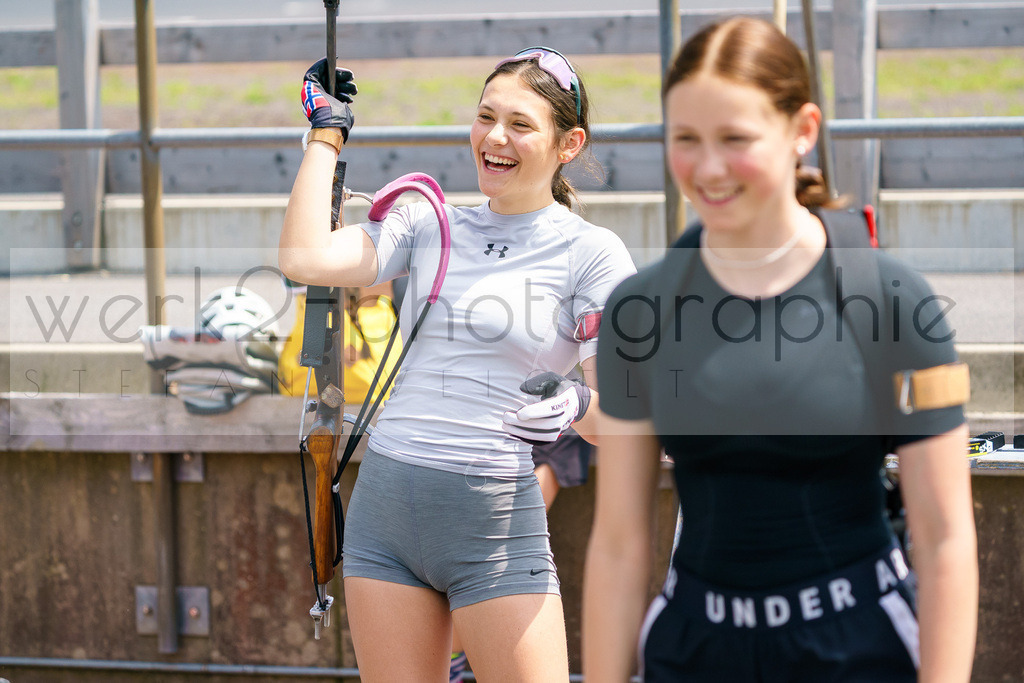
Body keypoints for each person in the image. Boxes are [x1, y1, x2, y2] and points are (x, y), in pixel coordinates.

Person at [583, 17, 977, 683]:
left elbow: (945, 540)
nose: (707, 167)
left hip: (859, 651)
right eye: (686, 139)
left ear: (803, 130)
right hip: (693, 650)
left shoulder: (896, 301)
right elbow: (620, 545)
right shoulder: (638, 311)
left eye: (735, 139)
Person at [280, 46, 636, 681]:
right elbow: (305, 258)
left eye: (521, 125)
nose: (494, 138)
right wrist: (325, 134)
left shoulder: (593, 254)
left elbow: (624, 423)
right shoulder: (425, 222)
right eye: (484, 117)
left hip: (495, 527)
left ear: (568, 143)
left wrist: (578, 405)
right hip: (385, 513)